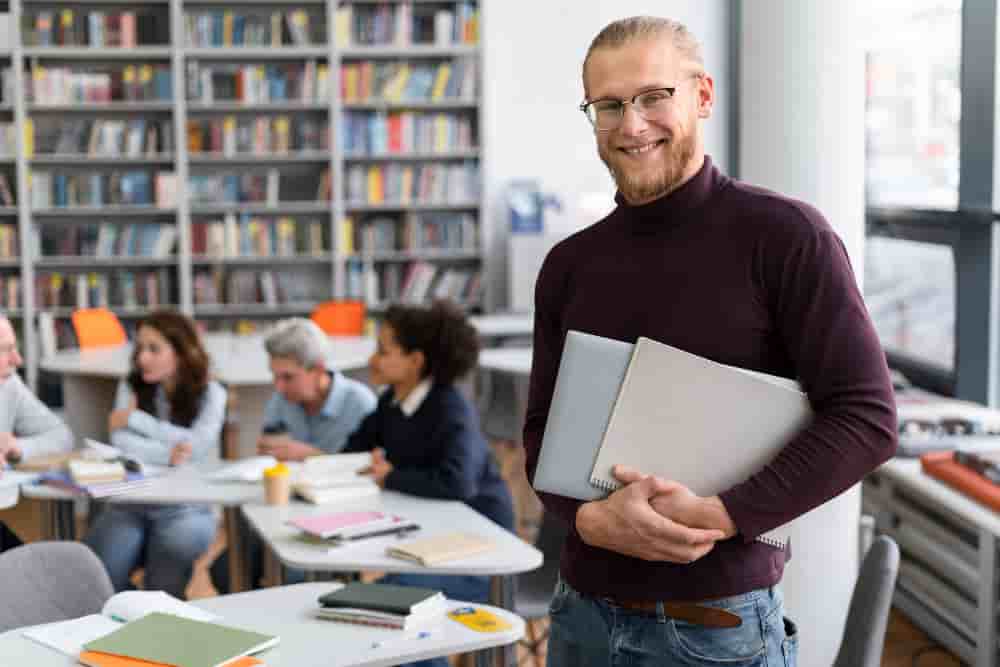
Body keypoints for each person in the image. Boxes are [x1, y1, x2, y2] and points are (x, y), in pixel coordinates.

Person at [522, 16, 898, 666]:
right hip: (578, 613)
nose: (631, 125)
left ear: (701, 95)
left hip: (712, 629)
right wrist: (584, 518)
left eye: (652, 97)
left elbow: (867, 416)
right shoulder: (568, 264)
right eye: (608, 105)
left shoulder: (788, 238)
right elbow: (539, 432)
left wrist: (723, 513)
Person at [343, 300, 515, 667]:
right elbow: (353, 450)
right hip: (433, 544)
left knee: (387, 608)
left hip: (481, 556)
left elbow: (458, 483)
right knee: (362, 604)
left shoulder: (450, 408)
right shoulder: (392, 400)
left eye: (383, 351)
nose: (372, 359)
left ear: (415, 361)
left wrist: (390, 475)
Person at [209, 317, 377, 593]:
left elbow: (370, 474)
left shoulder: (360, 403)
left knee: (295, 582)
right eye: (274, 376)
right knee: (224, 571)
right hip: (283, 515)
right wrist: (266, 456)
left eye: (288, 377)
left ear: (318, 369)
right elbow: (270, 452)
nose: (278, 386)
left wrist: (311, 456)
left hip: (339, 523)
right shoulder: (281, 402)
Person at [83, 310, 227, 598]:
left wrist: (136, 419)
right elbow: (121, 442)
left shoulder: (212, 393)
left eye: (154, 349)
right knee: (100, 577)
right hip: (131, 503)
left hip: (187, 507)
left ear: (182, 352)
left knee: (164, 585)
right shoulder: (130, 384)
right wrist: (167, 454)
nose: (142, 359)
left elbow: (196, 446)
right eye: (139, 349)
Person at [0, 312, 73, 551]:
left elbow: (61, 436)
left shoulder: (8, 384)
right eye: (5, 350)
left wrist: (17, 447)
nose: (18, 360)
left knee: (30, 570)